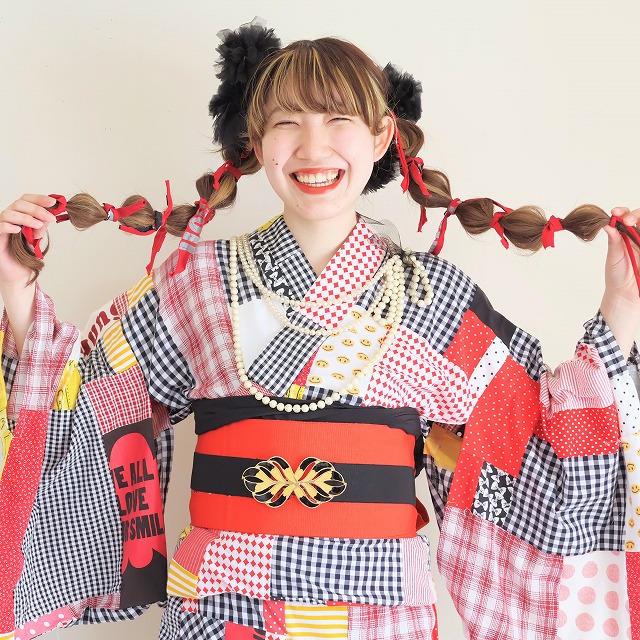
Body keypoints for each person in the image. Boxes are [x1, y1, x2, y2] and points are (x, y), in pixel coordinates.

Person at [0, 19, 639, 640]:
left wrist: (622, 304)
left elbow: (526, 435)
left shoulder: (434, 297)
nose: (312, 147)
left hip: (379, 618)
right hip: (217, 612)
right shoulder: (198, 280)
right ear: (256, 141)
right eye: (288, 122)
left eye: (338, 119)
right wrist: (19, 295)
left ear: (382, 135)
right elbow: (93, 406)